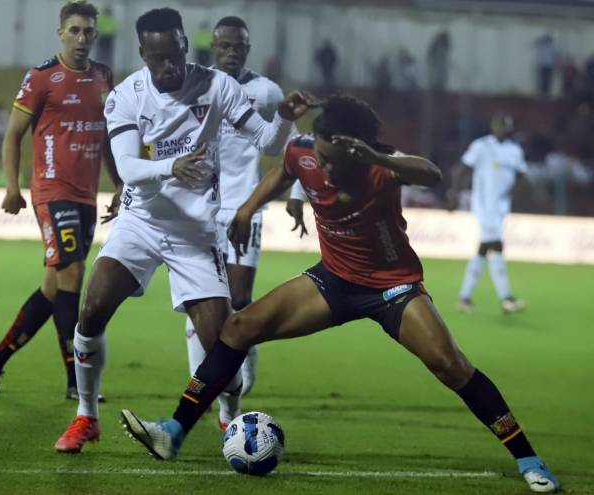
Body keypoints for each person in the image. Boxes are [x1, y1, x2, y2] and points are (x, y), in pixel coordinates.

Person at [118, 95, 560, 494]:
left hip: (393, 288)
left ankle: (528, 458)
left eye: (334, 161)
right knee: (239, 327)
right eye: (322, 157)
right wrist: (249, 208)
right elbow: (284, 171)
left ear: (356, 149)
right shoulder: (305, 152)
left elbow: (432, 173)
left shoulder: (381, 165)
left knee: (451, 365)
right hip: (333, 281)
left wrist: (374, 157)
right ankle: (173, 432)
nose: (324, 169)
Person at [52, 7, 312, 453]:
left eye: (174, 55)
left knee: (223, 347)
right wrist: (172, 165)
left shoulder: (218, 87)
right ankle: (86, 416)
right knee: (91, 309)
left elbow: (268, 142)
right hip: (141, 222)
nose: (168, 66)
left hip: (195, 233)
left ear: (186, 47)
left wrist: (285, 117)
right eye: (157, 59)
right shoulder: (126, 95)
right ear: (143, 54)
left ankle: (229, 416)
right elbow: (130, 168)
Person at [0, 0, 121, 402]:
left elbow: (107, 136)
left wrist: (120, 182)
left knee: (53, 288)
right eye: (74, 30)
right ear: (61, 34)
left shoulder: (105, 77)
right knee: (72, 273)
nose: (82, 38)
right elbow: (13, 133)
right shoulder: (41, 78)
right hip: (52, 192)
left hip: (87, 196)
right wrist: (12, 188)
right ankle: (76, 381)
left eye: (89, 31)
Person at [182, 15, 308, 430]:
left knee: (236, 300)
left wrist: (297, 193)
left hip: (245, 208)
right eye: (225, 45)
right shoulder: (196, 86)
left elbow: (290, 142)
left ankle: (241, 360)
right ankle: (218, 404)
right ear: (213, 46)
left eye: (239, 46)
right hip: (200, 210)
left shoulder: (266, 91)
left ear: (247, 49)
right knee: (197, 305)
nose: (232, 52)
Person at [449, 114, 528, 313]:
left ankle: (464, 298)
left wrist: (513, 192)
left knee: (484, 249)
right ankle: (506, 298)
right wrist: (454, 193)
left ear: (509, 129)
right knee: (497, 246)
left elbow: (521, 175)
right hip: (484, 205)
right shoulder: (482, 146)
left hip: (501, 207)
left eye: (504, 126)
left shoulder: (514, 150)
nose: (501, 128)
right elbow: (462, 169)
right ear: (492, 127)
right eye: (498, 125)